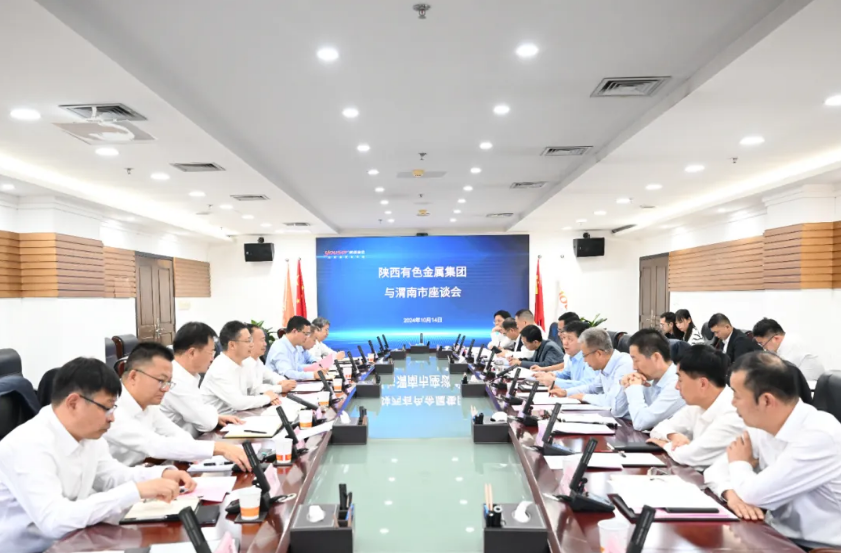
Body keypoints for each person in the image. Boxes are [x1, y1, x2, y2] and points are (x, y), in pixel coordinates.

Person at [0, 358, 195, 553]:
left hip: (74, 542)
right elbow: (55, 521)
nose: (112, 418)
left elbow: (112, 476)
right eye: (107, 408)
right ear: (73, 403)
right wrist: (135, 491)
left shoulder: (88, 435)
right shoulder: (28, 445)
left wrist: (161, 475)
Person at [703, 352, 841, 547]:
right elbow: (715, 471)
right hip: (777, 536)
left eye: (737, 395)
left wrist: (740, 463)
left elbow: (755, 495)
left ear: (766, 400)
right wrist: (731, 495)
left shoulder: (820, 435)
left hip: (819, 547)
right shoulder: (762, 424)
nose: (732, 402)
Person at [104, 343, 250, 469]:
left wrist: (196, 456)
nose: (166, 389)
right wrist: (219, 448)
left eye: (168, 382)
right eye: (161, 381)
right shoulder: (112, 409)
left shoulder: (149, 406)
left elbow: (177, 434)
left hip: (138, 474)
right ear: (134, 376)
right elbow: (155, 445)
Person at [647, 345, 744, 468]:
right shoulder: (697, 404)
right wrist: (673, 435)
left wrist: (664, 444)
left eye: (680, 380)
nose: (677, 386)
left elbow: (690, 457)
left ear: (702, 384)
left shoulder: (733, 412)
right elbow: (659, 428)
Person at [159, 322, 245, 437]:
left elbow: (202, 414)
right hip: (173, 446)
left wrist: (215, 417)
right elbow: (206, 423)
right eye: (211, 352)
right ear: (192, 353)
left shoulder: (186, 375)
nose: (212, 358)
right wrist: (211, 415)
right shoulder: (175, 381)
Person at [201, 321, 284, 414]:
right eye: (248, 341)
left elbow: (254, 391)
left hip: (239, 415)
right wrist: (267, 398)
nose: (251, 344)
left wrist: (269, 396)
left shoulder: (244, 363)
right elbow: (238, 403)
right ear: (232, 345)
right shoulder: (219, 369)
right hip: (220, 420)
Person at [550, 328, 634, 418]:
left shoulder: (624, 366)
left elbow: (616, 408)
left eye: (584, 355)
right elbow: (592, 388)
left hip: (628, 423)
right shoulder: (606, 365)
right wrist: (565, 392)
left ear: (598, 354)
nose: (584, 361)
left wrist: (584, 397)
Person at [622, 329, 686, 431]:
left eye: (636, 360)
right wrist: (626, 385)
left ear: (656, 357)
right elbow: (619, 411)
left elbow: (640, 423)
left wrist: (634, 388)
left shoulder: (676, 385)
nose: (634, 367)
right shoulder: (651, 379)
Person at [752, 318, 825, 380]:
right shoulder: (787, 342)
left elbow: (781, 374)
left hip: (810, 388)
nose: (764, 348)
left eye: (762, 343)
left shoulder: (791, 344)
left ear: (776, 338)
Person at [535, 321, 596, 389]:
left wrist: (554, 381)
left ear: (583, 341)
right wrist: (551, 374)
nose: (565, 343)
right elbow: (566, 374)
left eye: (570, 339)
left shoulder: (590, 358)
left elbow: (587, 385)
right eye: (564, 338)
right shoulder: (572, 356)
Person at [242, 323, 298, 395]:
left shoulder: (257, 361)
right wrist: (280, 388)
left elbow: (271, 376)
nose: (265, 344)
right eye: (262, 340)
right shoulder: (243, 362)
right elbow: (254, 390)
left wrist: (283, 381)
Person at [265, 316, 326, 381]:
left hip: (291, 384)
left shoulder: (295, 346)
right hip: (276, 386)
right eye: (305, 334)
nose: (306, 337)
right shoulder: (279, 347)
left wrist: (315, 368)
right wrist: (312, 375)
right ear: (295, 331)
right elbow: (287, 374)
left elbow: (297, 368)